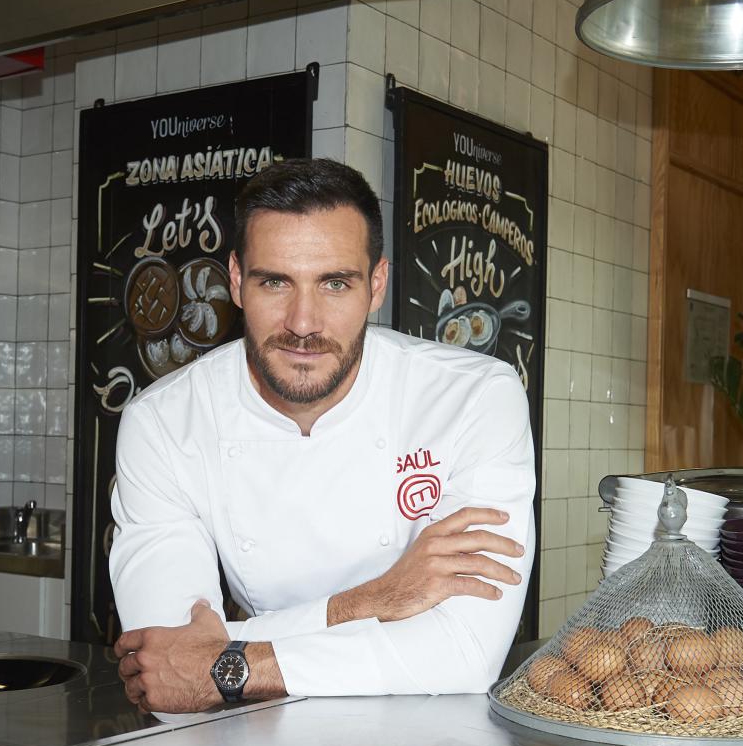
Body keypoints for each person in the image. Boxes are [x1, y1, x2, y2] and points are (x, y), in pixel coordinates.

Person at [110, 157, 536, 714]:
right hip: (253, 743)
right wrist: (374, 601)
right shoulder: (164, 423)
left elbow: (465, 651)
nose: (303, 323)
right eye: (274, 282)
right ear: (236, 280)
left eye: (335, 283)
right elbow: (167, 668)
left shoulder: (474, 397)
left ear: (376, 284)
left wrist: (233, 664)